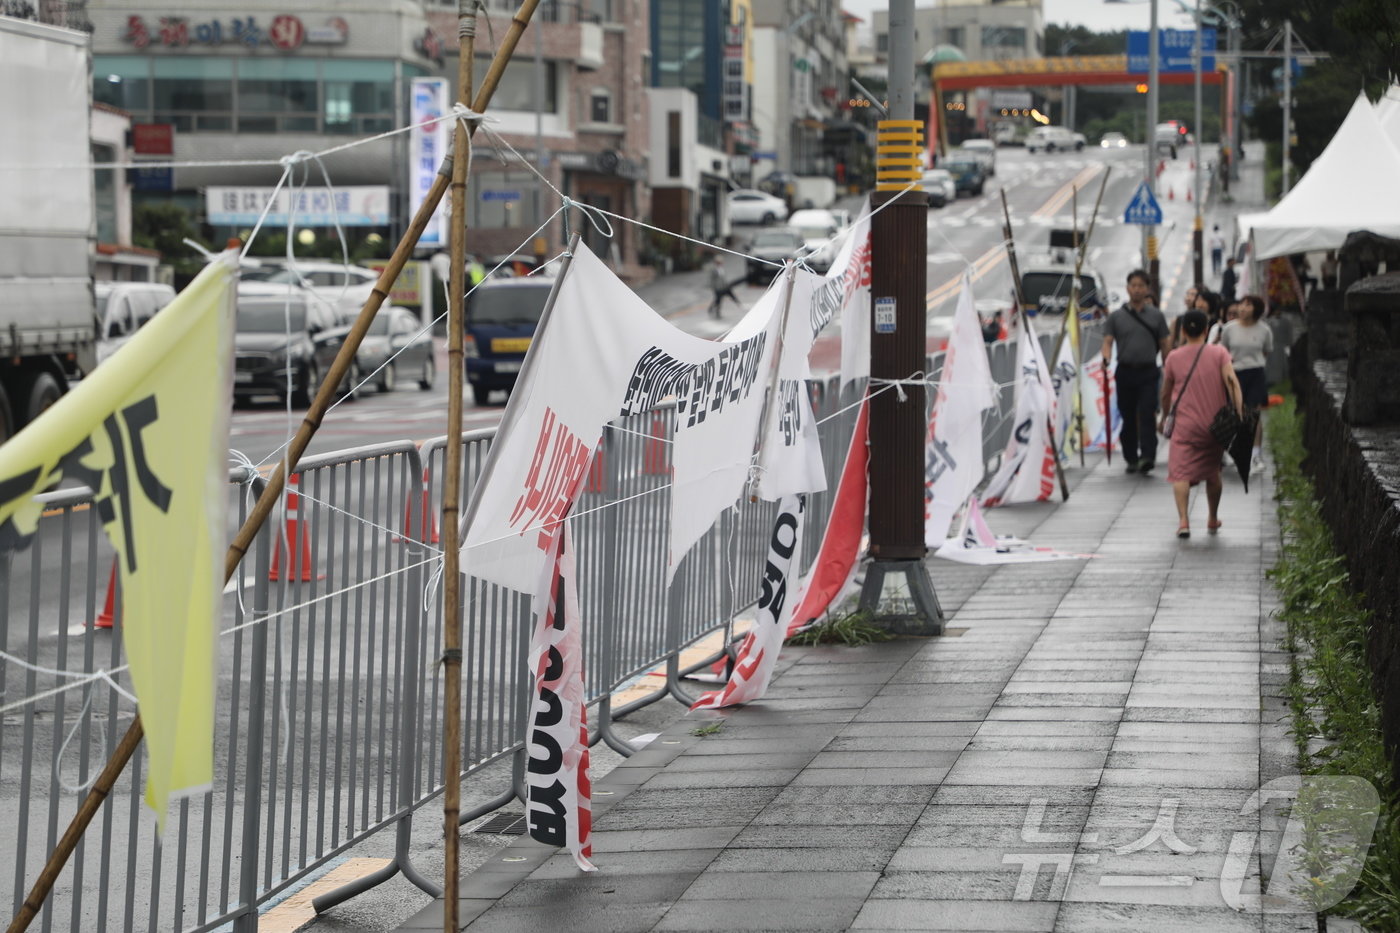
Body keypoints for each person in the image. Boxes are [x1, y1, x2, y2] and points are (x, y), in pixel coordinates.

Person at [1159, 310, 1243, 538]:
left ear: (1183, 331)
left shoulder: (1174, 358)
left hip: (1185, 426)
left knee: (1180, 473)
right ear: (1206, 331)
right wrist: (1238, 412)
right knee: (1213, 472)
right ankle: (1213, 518)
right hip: (1214, 426)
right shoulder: (1219, 353)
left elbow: (1166, 394)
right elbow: (1231, 382)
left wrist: (1164, 417)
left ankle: (1184, 521)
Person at [1102, 269, 1171, 475]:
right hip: (1125, 371)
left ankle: (1148, 456)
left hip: (1149, 371)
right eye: (1134, 285)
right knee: (1128, 415)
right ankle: (1131, 457)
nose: (1137, 289)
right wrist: (1106, 358)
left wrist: (1170, 366)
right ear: (1127, 288)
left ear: (1147, 289)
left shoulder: (1156, 316)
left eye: (1141, 286)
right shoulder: (1116, 316)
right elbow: (1107, 341)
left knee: (1147, 412)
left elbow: (1165, 343)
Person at [1220, 294, 1273, 474]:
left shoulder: (1264, 330)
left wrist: (1253, 362)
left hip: (1255, 372)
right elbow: (1224, 352)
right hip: (1234, 373)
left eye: (1248, 305)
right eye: (1241, 305)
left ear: (1256, 309)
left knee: (1253, 413)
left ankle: (1256, 453)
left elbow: (1266, 351)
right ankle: (1231, 449)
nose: (1242, 308)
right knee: (1234, 411)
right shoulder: (1229, 329)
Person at [707, 254, 741, 319]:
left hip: (724, 286)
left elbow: (723, 277)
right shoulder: (714, 269)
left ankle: (738, 303)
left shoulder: (722, 268)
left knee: (729, 294)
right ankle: (717, 312)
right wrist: (713, 287)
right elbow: (711, 279)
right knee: (718, 300)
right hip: (717, 287)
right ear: (716, 262)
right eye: (719, 261)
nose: (721, 262)